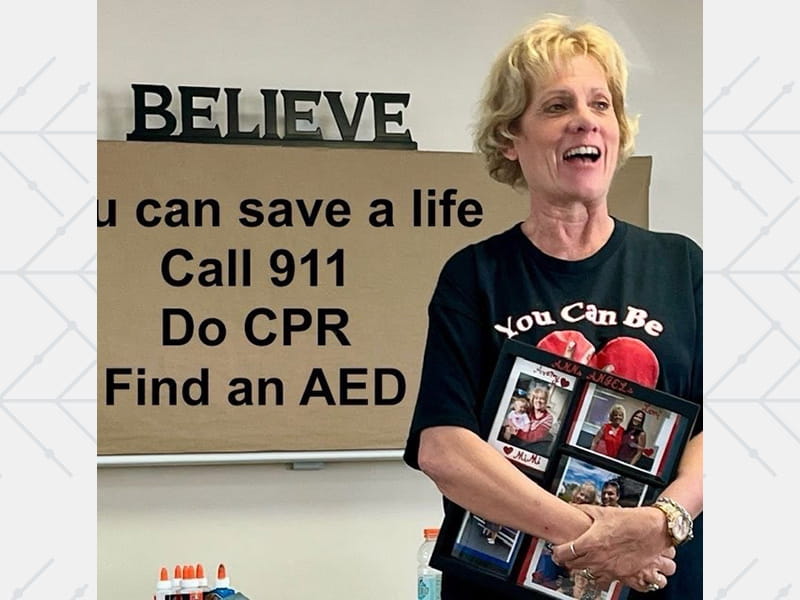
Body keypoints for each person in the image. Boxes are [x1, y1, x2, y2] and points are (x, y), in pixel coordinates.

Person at [402, 14, 702, 600]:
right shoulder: (474, 275)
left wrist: (660, 521)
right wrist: (604, 541)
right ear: (511, 139)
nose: (584, 120)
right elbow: (443, 448)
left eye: (600, 104)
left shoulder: (682, 266)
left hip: (663, 582)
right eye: (557, 106)